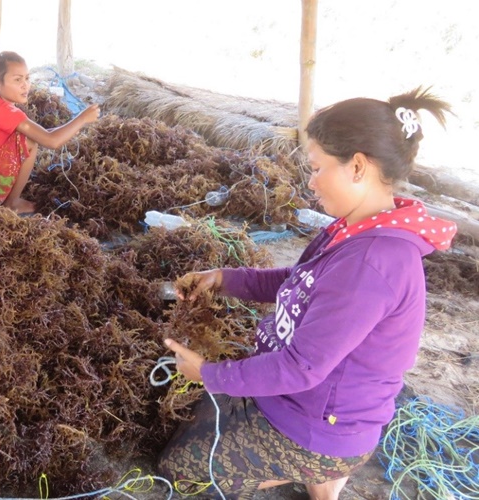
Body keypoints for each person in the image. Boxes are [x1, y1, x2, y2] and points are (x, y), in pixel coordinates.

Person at [158, 87, 457, 500]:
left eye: (317, 168)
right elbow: (298, 281)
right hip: (314, 400)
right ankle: (322, 473)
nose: (311, 182)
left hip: (320, 425)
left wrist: (209, 374)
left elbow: (301, 368)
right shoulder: (357, 226)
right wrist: (224, 279)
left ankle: (323, 469)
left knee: (181, 470)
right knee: (197, 417)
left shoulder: (371, 261)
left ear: (357, 167)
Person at [0, 51, 100, 214]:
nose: (25, 85)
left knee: (29, 137)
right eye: (17, 80)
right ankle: (11, 203)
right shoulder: (5, 110)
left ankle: (10, 199)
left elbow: (43, 134)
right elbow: (51, 141)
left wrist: (68, 129)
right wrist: (82, 119)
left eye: (27, 78)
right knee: (29, 142)